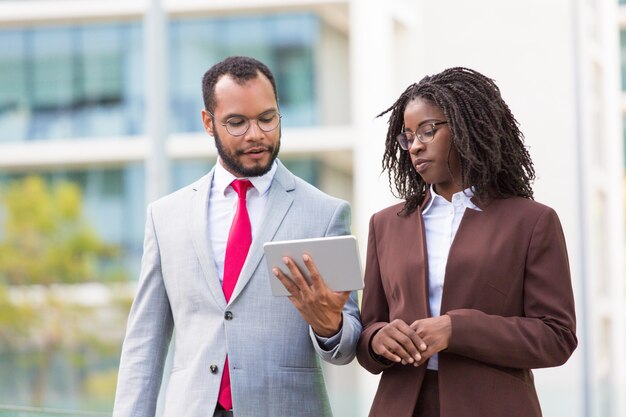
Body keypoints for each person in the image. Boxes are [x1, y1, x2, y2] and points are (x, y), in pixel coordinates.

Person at [112, 56, 361, 417]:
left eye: (267, 118)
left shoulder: (324, 213)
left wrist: (330, 326)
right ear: (208, 123)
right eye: (237, 123)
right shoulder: (165, 217)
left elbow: (349, 341)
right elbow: (145, 341)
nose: (256, 134)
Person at [356, 67, 577, 417]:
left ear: (467, 128)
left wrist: (457, 329)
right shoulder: (385, 224)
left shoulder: (532, 222)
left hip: (492, 405)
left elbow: (557, 337)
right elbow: (369, 326)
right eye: (407, 136)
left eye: (428, 130)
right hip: (399, 405)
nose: (415, 146)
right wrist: (377, 338)